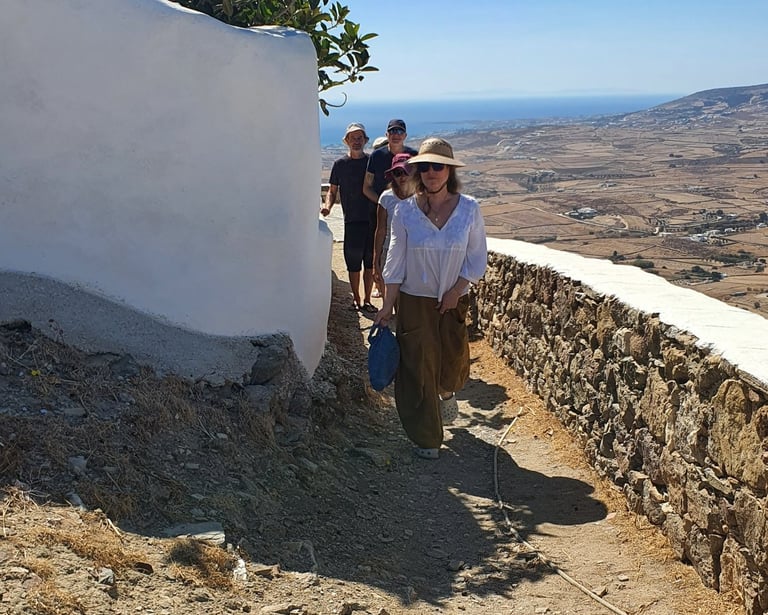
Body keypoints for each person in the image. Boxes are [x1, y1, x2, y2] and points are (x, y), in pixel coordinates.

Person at [374, 138, 487, 460]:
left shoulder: (469, 209)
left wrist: (456, 291)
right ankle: (427, 437)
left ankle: (446, 392)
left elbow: (477, 257)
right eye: (424, 167)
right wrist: (387, 305)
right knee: (417, 368)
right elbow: (395, 260)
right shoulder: (405, 212)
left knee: (451, 363)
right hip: (414, 301)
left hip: (454, 300)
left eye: (438, 166)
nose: (431, 173)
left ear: (449, 171)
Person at [321, 123, 378, 313]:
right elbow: (332, 190)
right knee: (353, 263)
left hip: (372, 220)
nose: (356, 141)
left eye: (359, 137)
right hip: (352, 220)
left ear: (365, 140)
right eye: (353, 138)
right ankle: (356, 299)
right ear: (346, 141)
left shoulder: (371, 162)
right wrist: (327, 207)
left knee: (369, 262)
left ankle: (367, 300)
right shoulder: (340, 165)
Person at [364, 120, 417, 298]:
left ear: (405, 135)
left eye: (399, 131)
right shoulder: (377, 156)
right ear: (387, 134)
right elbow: (366, 186)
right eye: (392, 131)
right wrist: (383, 203)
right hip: (382, 212)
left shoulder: (414, 155)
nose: (396, 134)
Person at [372, 152, 414, 298]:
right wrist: (376, 261)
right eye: (397, 173)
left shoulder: (421, 197)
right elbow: (380, 230)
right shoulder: (386, 198)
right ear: (392, 175)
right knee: (389, 298)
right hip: (389, 251)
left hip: (413, 252)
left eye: (406, 172)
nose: (402, 177)